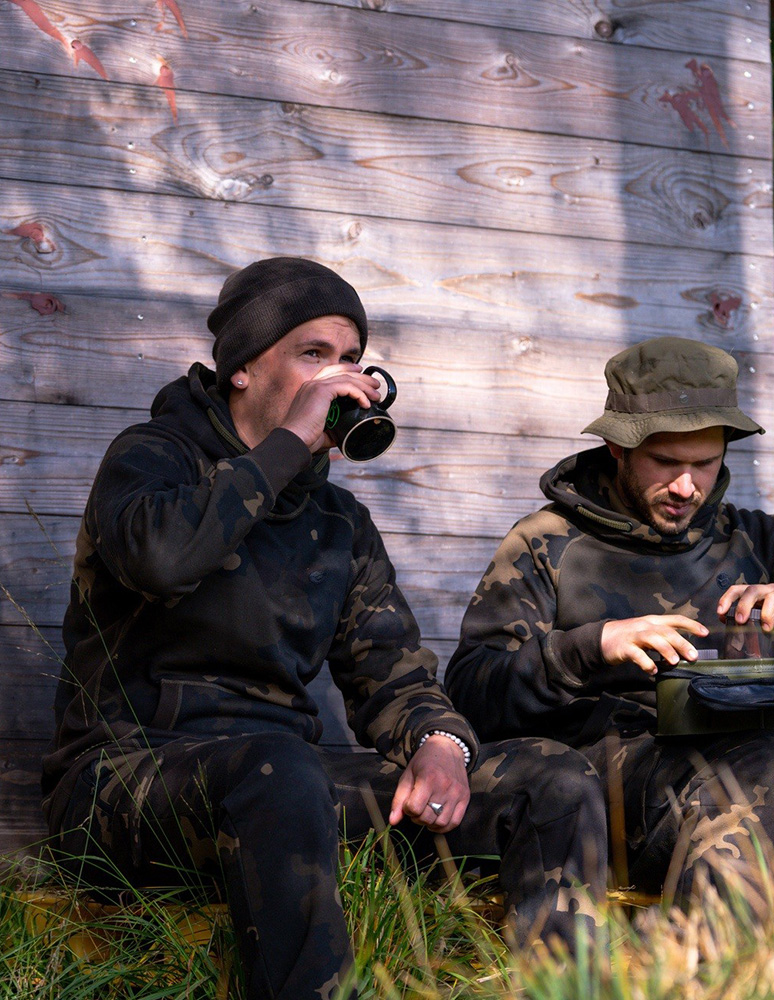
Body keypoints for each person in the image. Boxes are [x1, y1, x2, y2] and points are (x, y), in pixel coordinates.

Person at [42, 257, 607, 1000]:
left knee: (552, 779)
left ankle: (568, 990)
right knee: (280, 769)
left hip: (289, 794)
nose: (340, 379)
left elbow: (393, 675)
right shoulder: (150, 458)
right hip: (123, 783)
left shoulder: (339, 522)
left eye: (350, 359)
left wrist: (441, 745)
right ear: (243, 367)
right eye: (313, 354)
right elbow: (163, 558)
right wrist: (287, 444)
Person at [445, 336, 774, 920]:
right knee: (767, 758)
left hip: (756, 771)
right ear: (618, 447)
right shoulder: (545, 543)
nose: (686, 487)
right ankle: (704, 959)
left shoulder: (756, 538)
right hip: (611, 798)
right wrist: (591, 647)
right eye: (666, 463)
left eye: (705, 464)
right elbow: (471, 692)